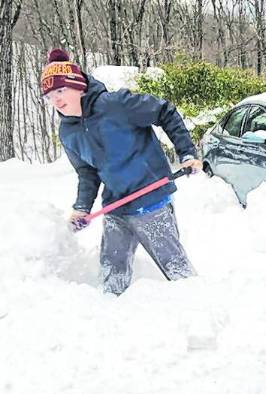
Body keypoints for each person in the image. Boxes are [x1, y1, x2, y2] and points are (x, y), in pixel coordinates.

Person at [41, 48, 203, 296]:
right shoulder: (68, 132)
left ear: (79, 86)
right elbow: (87, 172)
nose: (56, 100)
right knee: (112, 279)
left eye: (61, 90)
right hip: (116, 208)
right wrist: (82, 207)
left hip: (151, 204)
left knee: (177, 271)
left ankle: (199, 311)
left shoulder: (115, 105)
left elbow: (164, 111)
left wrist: (187, 153)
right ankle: (111, 322)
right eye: (49, 95)